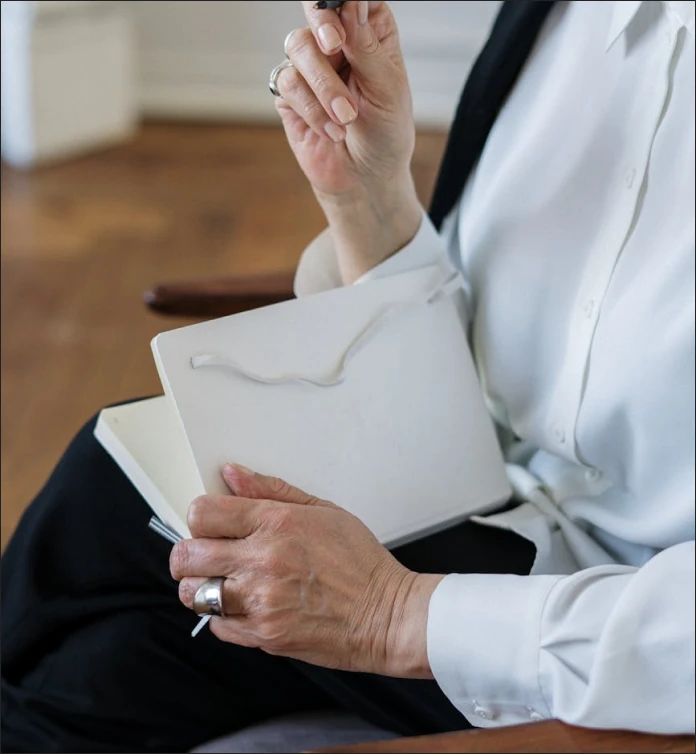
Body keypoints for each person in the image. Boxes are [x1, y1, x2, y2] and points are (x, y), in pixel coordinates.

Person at [2, 0, 694, 751]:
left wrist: (390, 613)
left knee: (107, 513)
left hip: (602, 641)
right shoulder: (562, 20)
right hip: (491, 519)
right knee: (99, 664)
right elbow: (486, 373)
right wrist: (367, 197)